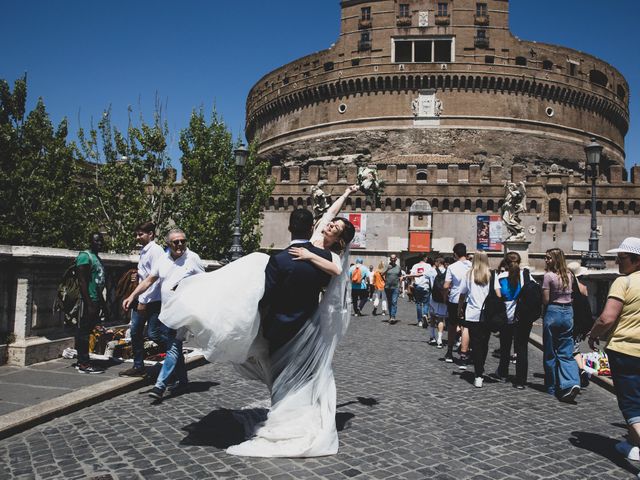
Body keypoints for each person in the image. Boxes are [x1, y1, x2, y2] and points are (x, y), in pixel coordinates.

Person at [159, 185, 358, 458]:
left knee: (282, 375)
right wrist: (347, 193)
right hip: (308, 326)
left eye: (334, 227)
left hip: (281, 326)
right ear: (315, 226)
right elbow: (331, 224)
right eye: (328, 223)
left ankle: (284, 418)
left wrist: (309, 255)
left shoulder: (293, 258)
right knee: (302, 376)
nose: (329, 224)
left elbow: (272, 293)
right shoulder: (323, 252)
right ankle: (296, 416)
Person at [123, 228, 205, 400]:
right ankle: (183, 381)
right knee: (172, 346)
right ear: (168, 243)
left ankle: (160, 386)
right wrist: (132, 296)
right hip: (167, 310)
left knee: (173, 347)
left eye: (183, 240)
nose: (180, 244)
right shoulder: (163, 259)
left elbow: (204, 282)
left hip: (184, 311)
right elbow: (148, 280)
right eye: (176, 242)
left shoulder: (193, 258)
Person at [588, 237, 640, 461]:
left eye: (622, 258)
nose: (618, 262)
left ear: (637, 260)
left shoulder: (624, 282)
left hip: (626, 351)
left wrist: (593, 334)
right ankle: (632, 444)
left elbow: (607, 317)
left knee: (631, 407)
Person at [120, 221, 167, 377]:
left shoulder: (156, 251)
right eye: (137, 234)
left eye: (140, 234)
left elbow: (155, 279)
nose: (137, 237)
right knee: (135, 332)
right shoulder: (145, 251)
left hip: (152, 300)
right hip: (142, 296)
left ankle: (175, 352)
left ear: (151, 234)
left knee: (154, 333)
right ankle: (138, 365)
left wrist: (143, 301)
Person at [542, 248, 580, 402]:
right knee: (566, 351)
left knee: (550, 351)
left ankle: (551, 386)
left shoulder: (548, 276)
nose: (546, 260)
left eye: (548, 258)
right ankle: (571, 382)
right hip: (568, 313)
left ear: (555, 260)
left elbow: (545, 300)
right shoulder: (570, 275)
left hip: (553, 311)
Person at [494, 252, 536, 389]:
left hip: (506, 316)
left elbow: (498, 296)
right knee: (521, 348)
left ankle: (503, 372)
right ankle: (520, 380)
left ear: (505, 263)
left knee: (505, 346)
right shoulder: (527, 276)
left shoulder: (500, 277)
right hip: (523, 316)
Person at [74, 232, 106, 374]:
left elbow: (98, 282)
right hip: (88, 300)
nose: (99, 243)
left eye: (101, 241)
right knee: (84, 332)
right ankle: (83, 363)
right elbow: (82, 282)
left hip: (95, 299)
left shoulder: (96, 258)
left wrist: (103, 304)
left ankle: (84, 360)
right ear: (90, 241)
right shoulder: (84, 257)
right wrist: (89, 303)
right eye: (96, 241)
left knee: (87, 331)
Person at [459, 251, 491, 386]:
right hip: (488, 314)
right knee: (484, 344)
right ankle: (480, 368)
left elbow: (462, 294)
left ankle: (478, 374)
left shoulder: (468, 274)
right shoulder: (492, 274)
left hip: (472, 314)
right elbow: (498, 293)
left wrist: (460, 308)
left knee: (476, 345)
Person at [444, 243, 471, 364]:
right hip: (469, 300)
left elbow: (446, 285)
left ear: (455, 254)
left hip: (454, 300)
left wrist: (445, 297)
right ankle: (464, 353)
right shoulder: (473, 266)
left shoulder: (452, 267)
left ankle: (449, 352)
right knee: (466, 327)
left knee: (452, 326)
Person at [567, 261, 590, 388]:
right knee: (575, 348)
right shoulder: (583, 287)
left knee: (569, 349)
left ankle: (575, 373)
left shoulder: (569, 286)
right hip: (580, 322)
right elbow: (587, 308)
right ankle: (581, 370)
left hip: (570, 320)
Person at [407, 254, 434, 328]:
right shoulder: (428, 266)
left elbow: (411, 275)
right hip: (426, 286)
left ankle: (419, 321)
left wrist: (412, 283)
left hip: (417, 286)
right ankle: (425, 314)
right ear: (425, 258)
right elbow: (432, 275)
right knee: (426, 303)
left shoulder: (415, 266)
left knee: (418, 303)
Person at [428, 257, 448, 348]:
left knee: (432, 317)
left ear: (437, 262)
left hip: (434, 298)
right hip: (443, 298)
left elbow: (420, 275)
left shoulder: (432, 271)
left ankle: (432, 337)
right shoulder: (448, 271)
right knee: (441, 319)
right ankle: (440, 340)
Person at [383, 254, 403, 324]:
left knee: (394, 302)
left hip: (395, 287)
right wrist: (387, 269)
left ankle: (393, 317)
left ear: (396, 259)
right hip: (387, 287)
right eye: (392, 258)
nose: (393, 259)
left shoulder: (398, 267)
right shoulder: (386, 266)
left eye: (394, 258)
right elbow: (381, 274)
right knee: (390, 302)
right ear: (390, 259)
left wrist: (400, 284)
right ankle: (391, 315)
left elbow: (400, 276)